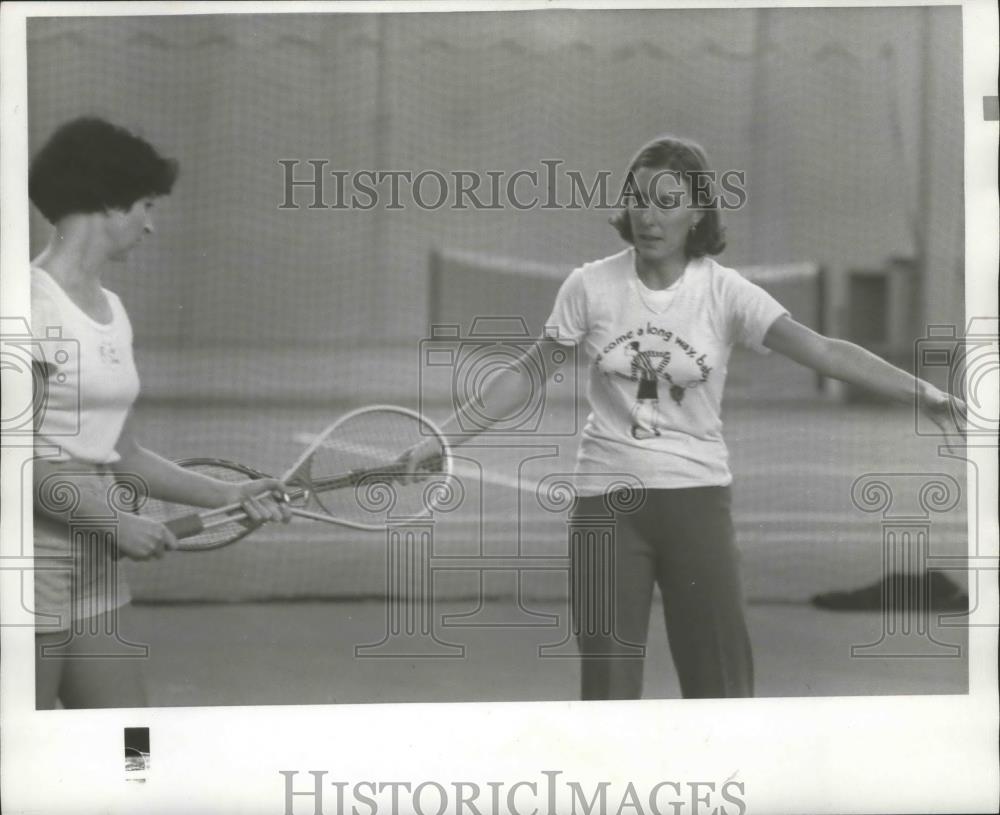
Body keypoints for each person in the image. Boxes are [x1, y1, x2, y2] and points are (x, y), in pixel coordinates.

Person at [410, 134, 965, 700]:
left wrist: (923, 392)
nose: (649, 216)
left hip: (696, 500)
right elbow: (525, 375)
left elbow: (823, 350)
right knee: (607, 689)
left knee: (720, 687)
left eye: (667, 201)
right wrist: (442, 439)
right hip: (607, 504)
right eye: (639, 199)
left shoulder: (725, 293)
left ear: (697, 210)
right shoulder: (590, 286)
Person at [29, 117, 289, 709]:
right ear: (108, 201)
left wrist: (230, 495)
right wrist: (115, 524)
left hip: (92, 555)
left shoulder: (112, 308)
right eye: (145, 204)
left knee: (131, 746)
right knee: (29, 752)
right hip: (25, 559)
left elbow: (123, 454)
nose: (151, 224)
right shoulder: (24, 306)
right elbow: (13, 459)